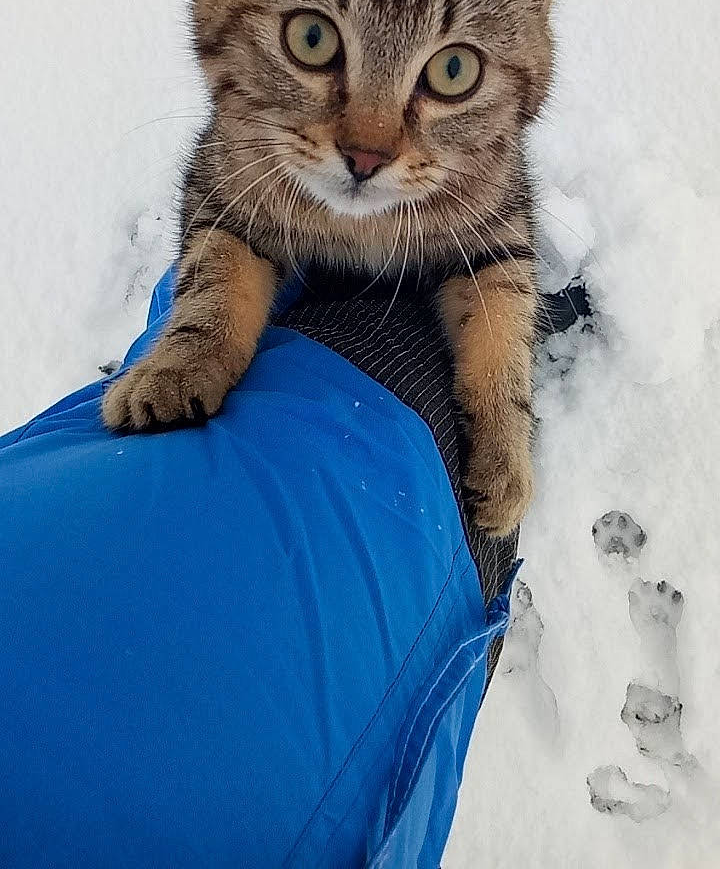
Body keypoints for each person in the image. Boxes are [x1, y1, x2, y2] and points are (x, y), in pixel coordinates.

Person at [0, 265, 569, 868]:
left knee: (191, 347)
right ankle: (500, 337)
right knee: (443, 393)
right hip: (370, 507)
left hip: (69, 504)